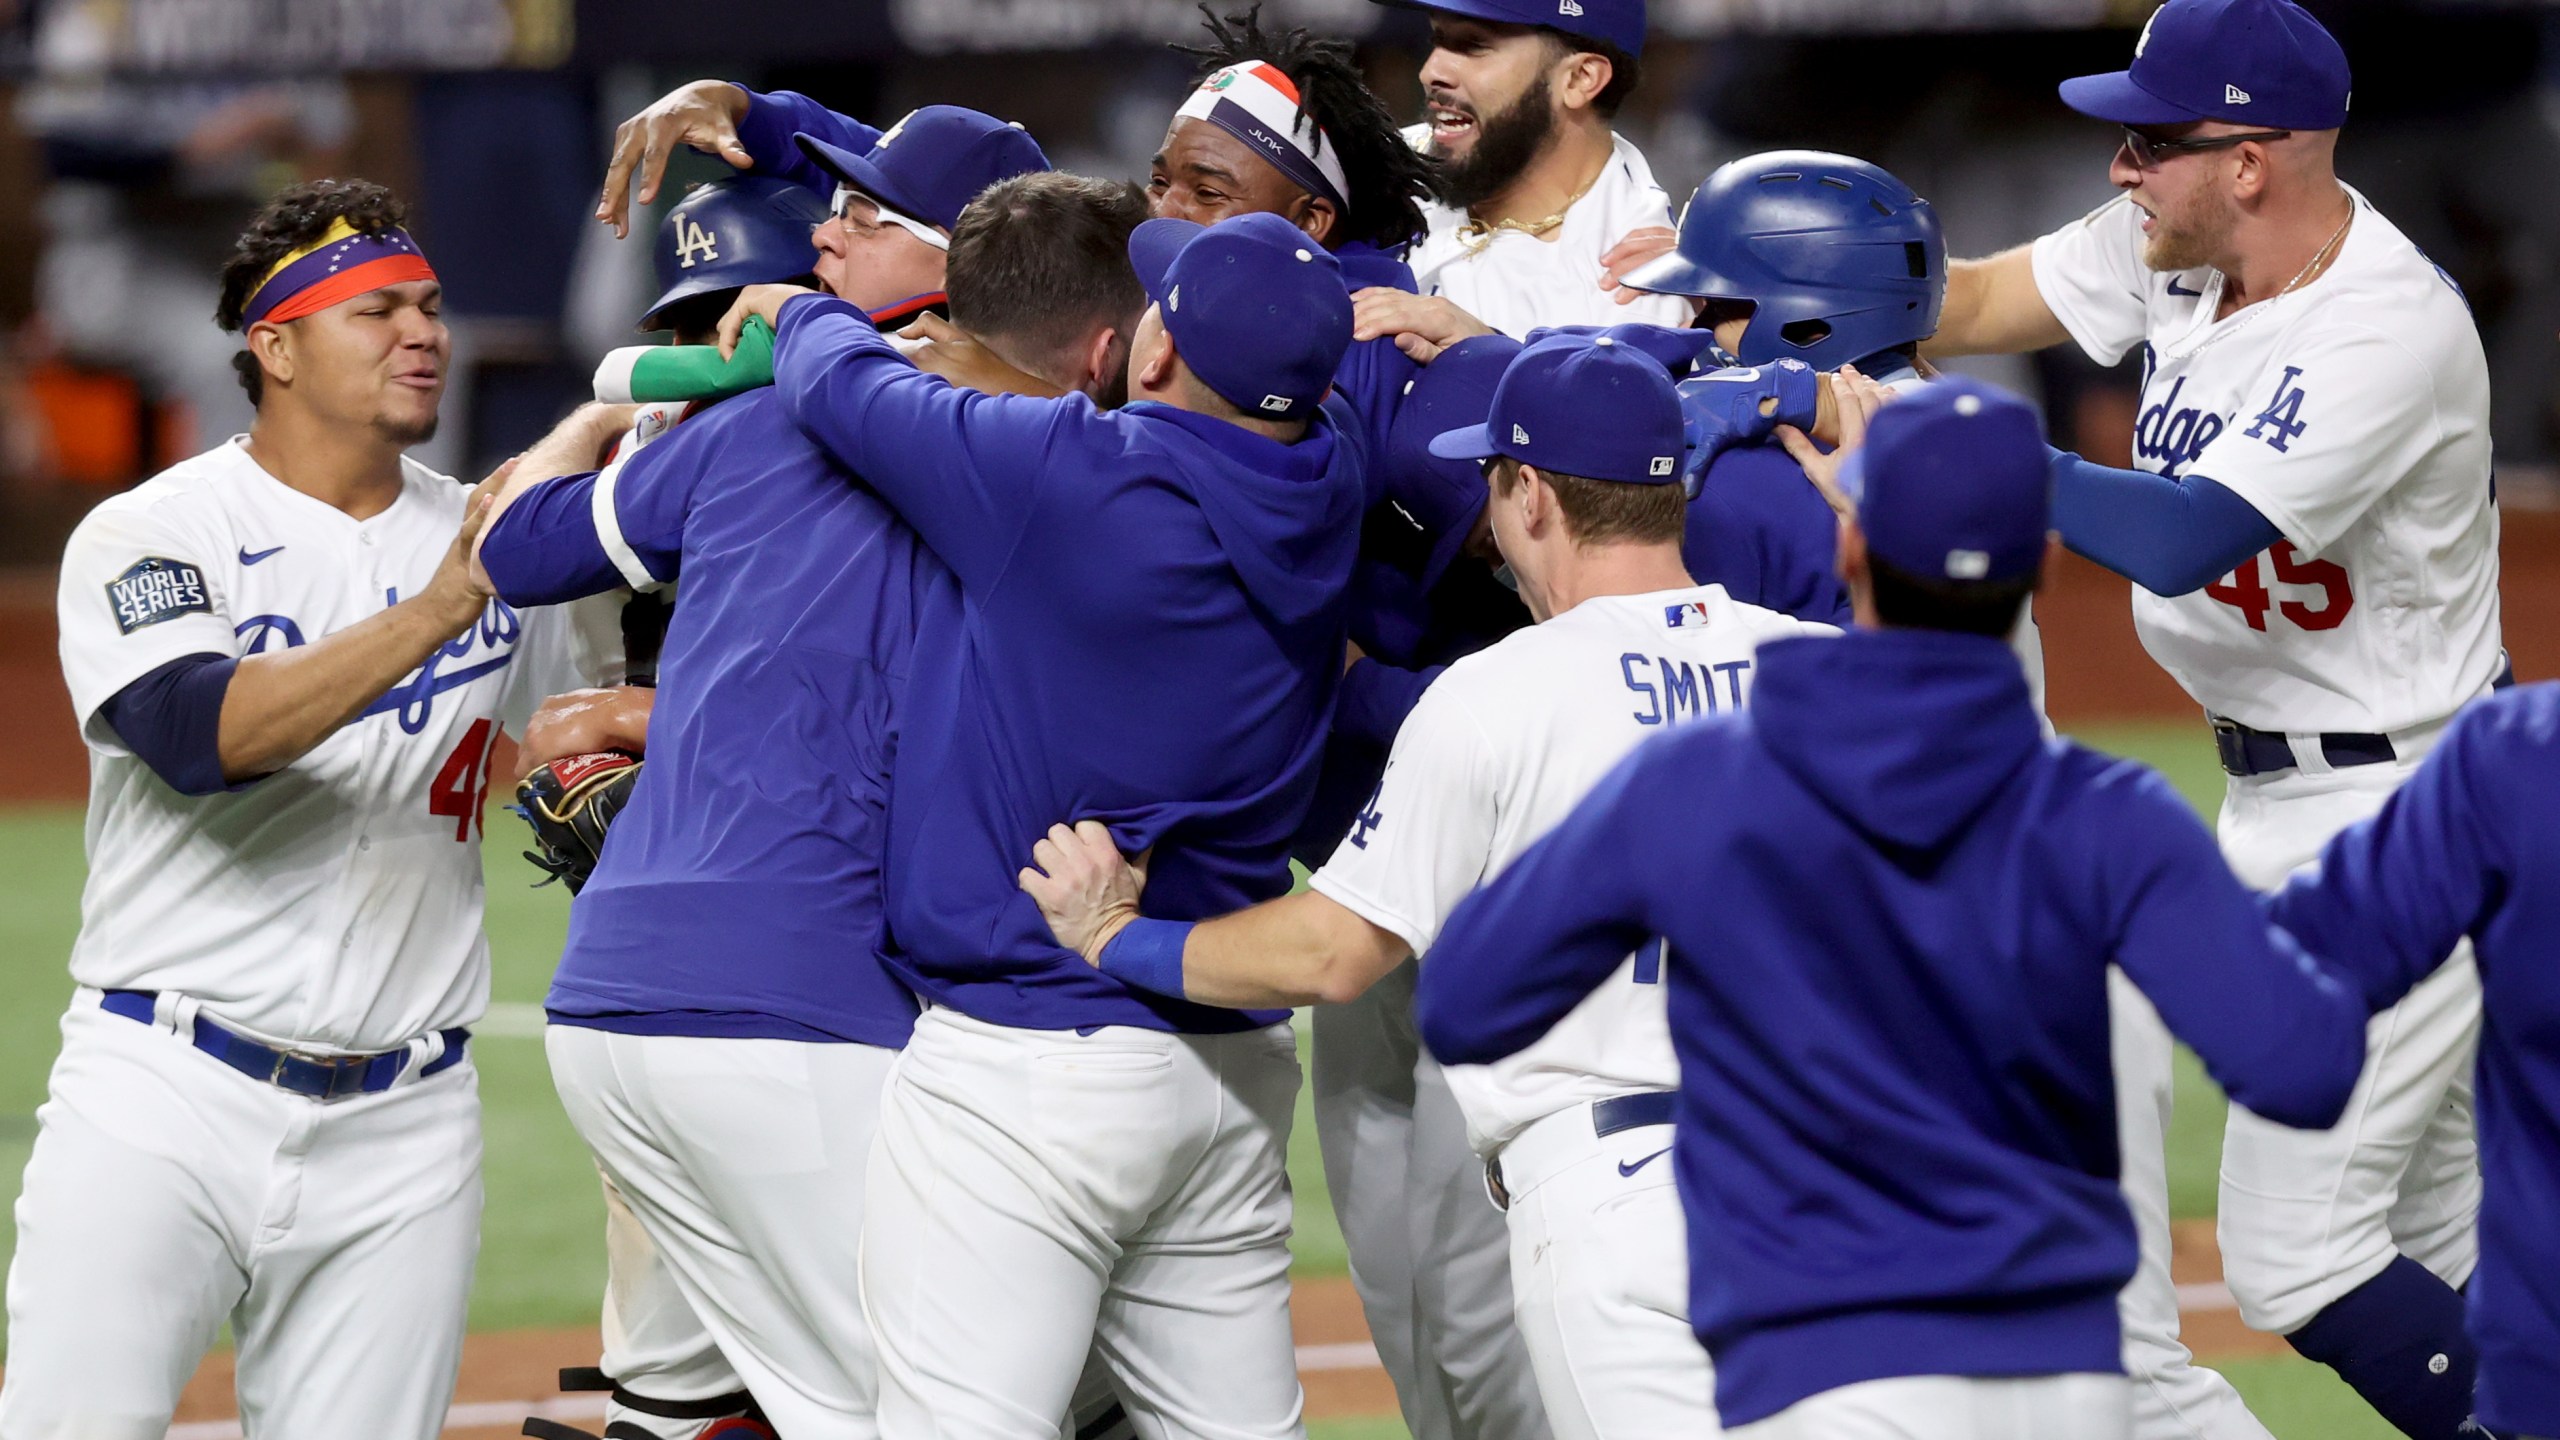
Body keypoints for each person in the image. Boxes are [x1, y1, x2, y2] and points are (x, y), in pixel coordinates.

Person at [1411, 378, 2385, 1440]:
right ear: (2045, 567)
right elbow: (2306, 1063)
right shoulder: (2107, 817)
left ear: (1847, 556)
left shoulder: (1707, 782)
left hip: (1823, 1375)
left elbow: (1465, 1003)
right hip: (2054, 1382)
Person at [1016, 333, 1840, 1440]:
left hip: (1622, 1202)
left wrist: (1117, 935)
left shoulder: (1496, 695)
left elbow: (1331, 952)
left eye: (1494, 484)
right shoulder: (1825, 672)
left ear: (1532, 493)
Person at [1921, 2, 2503, 1434]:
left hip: (2403, 814)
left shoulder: (2387, 323)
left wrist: (1957, 444)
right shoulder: (2177, 245)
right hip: (2281, 797)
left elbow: (2188, 539)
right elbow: (1985, 299)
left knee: (2299, 1258)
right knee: (2446, 1252)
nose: (2121, 168)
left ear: (2252, 159)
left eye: (2151, 141)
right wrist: (1807, 287)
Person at [707, 210, 1360, 1439]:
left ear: (1151, 356)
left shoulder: (1067, 474)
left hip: (1036, 1057)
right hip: (1227, 1070)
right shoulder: (1330, 468)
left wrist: (798, 307)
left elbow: (841, 387)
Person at [473, 150, 1090, 1440]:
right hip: (792, 1011)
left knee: (806, 1409)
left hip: (611, 1014)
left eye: (859, 224)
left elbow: (512, 547)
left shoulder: (750, 425)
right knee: (972, 1405)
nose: (824, 248)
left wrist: (589, 436)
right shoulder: (1037, 465)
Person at [0, 178, 603, 1440]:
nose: (422, 334)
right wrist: (448, 604)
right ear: (273, 347)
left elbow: (582, 736)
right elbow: (200, 735)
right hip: (164, 1093)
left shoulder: (497, 544)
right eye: (376, 311)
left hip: (406, 1125)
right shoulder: (158, 532)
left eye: (430, 307)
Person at [517, 169, 836, 1440]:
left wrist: (641, 727)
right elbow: (566, 715)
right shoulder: (646, 480)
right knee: (677, 1375)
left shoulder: (894, 448)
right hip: (698, 973)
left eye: (738, 314)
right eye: (686, 326)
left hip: (863, 971)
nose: (710, 350)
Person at [2263, 683, 2560, 1440]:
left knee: (2301, 1258)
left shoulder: (2519, 753)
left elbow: (2313, 957)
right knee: (2436, 1222)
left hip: (2540, 1373)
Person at [1352, 0, 1690, 339]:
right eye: (1436, 39)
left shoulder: (1631, 291)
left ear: (1579, 78)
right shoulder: (1377, 166)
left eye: (1473, 46)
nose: (1430, 72)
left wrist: (1481, 352)